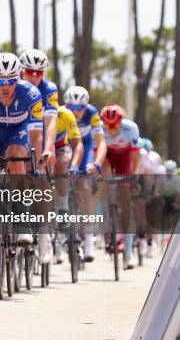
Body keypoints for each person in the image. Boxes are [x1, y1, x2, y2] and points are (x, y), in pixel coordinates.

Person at [0, 53, 44, 267]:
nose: (6, 86)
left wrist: (35, 159)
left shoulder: (31, 93)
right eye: (0, 81)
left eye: (11, 81)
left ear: (19, 78)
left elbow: (36, 133)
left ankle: (23, 220)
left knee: (17, 157)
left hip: (18, 131)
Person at [19, 48, 59, 264]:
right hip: (17, 134)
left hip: (40, 136)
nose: (34, 76)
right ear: (21, 71)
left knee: (41, 178)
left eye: (39, 72)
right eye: (29, 71)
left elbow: (50, 122)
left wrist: (48, 148)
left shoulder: (49, 89)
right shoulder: (13, 87)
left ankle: (43, 235)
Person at [64, 86, 107, 262]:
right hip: (67, 145)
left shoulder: (92, 113)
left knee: (84, 186)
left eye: (79, 108)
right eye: (71, 108)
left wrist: (97, 163)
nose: (75, 112)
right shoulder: (62, 113)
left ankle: (89, 239)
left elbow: (101, 142)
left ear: (86, 106)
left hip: (86, 146)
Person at [99, 104, 141, 269]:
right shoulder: (99, 129)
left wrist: (135, 176)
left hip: (124, 159)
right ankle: (105, 222)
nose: (112, 130)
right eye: (108, 126)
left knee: (125, 198)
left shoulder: (131, 129)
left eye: (115, 126)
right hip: (107, 156)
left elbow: (136, 155)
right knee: (103, 186)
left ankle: (129, 252)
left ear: (121, 122)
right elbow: (98, 155)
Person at [52, 105, 84, 263]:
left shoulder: (65, 115)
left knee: (62, 163)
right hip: (37, 143)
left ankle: (64, 207)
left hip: (59, 147)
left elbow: (77, 144)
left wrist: (74, 166)